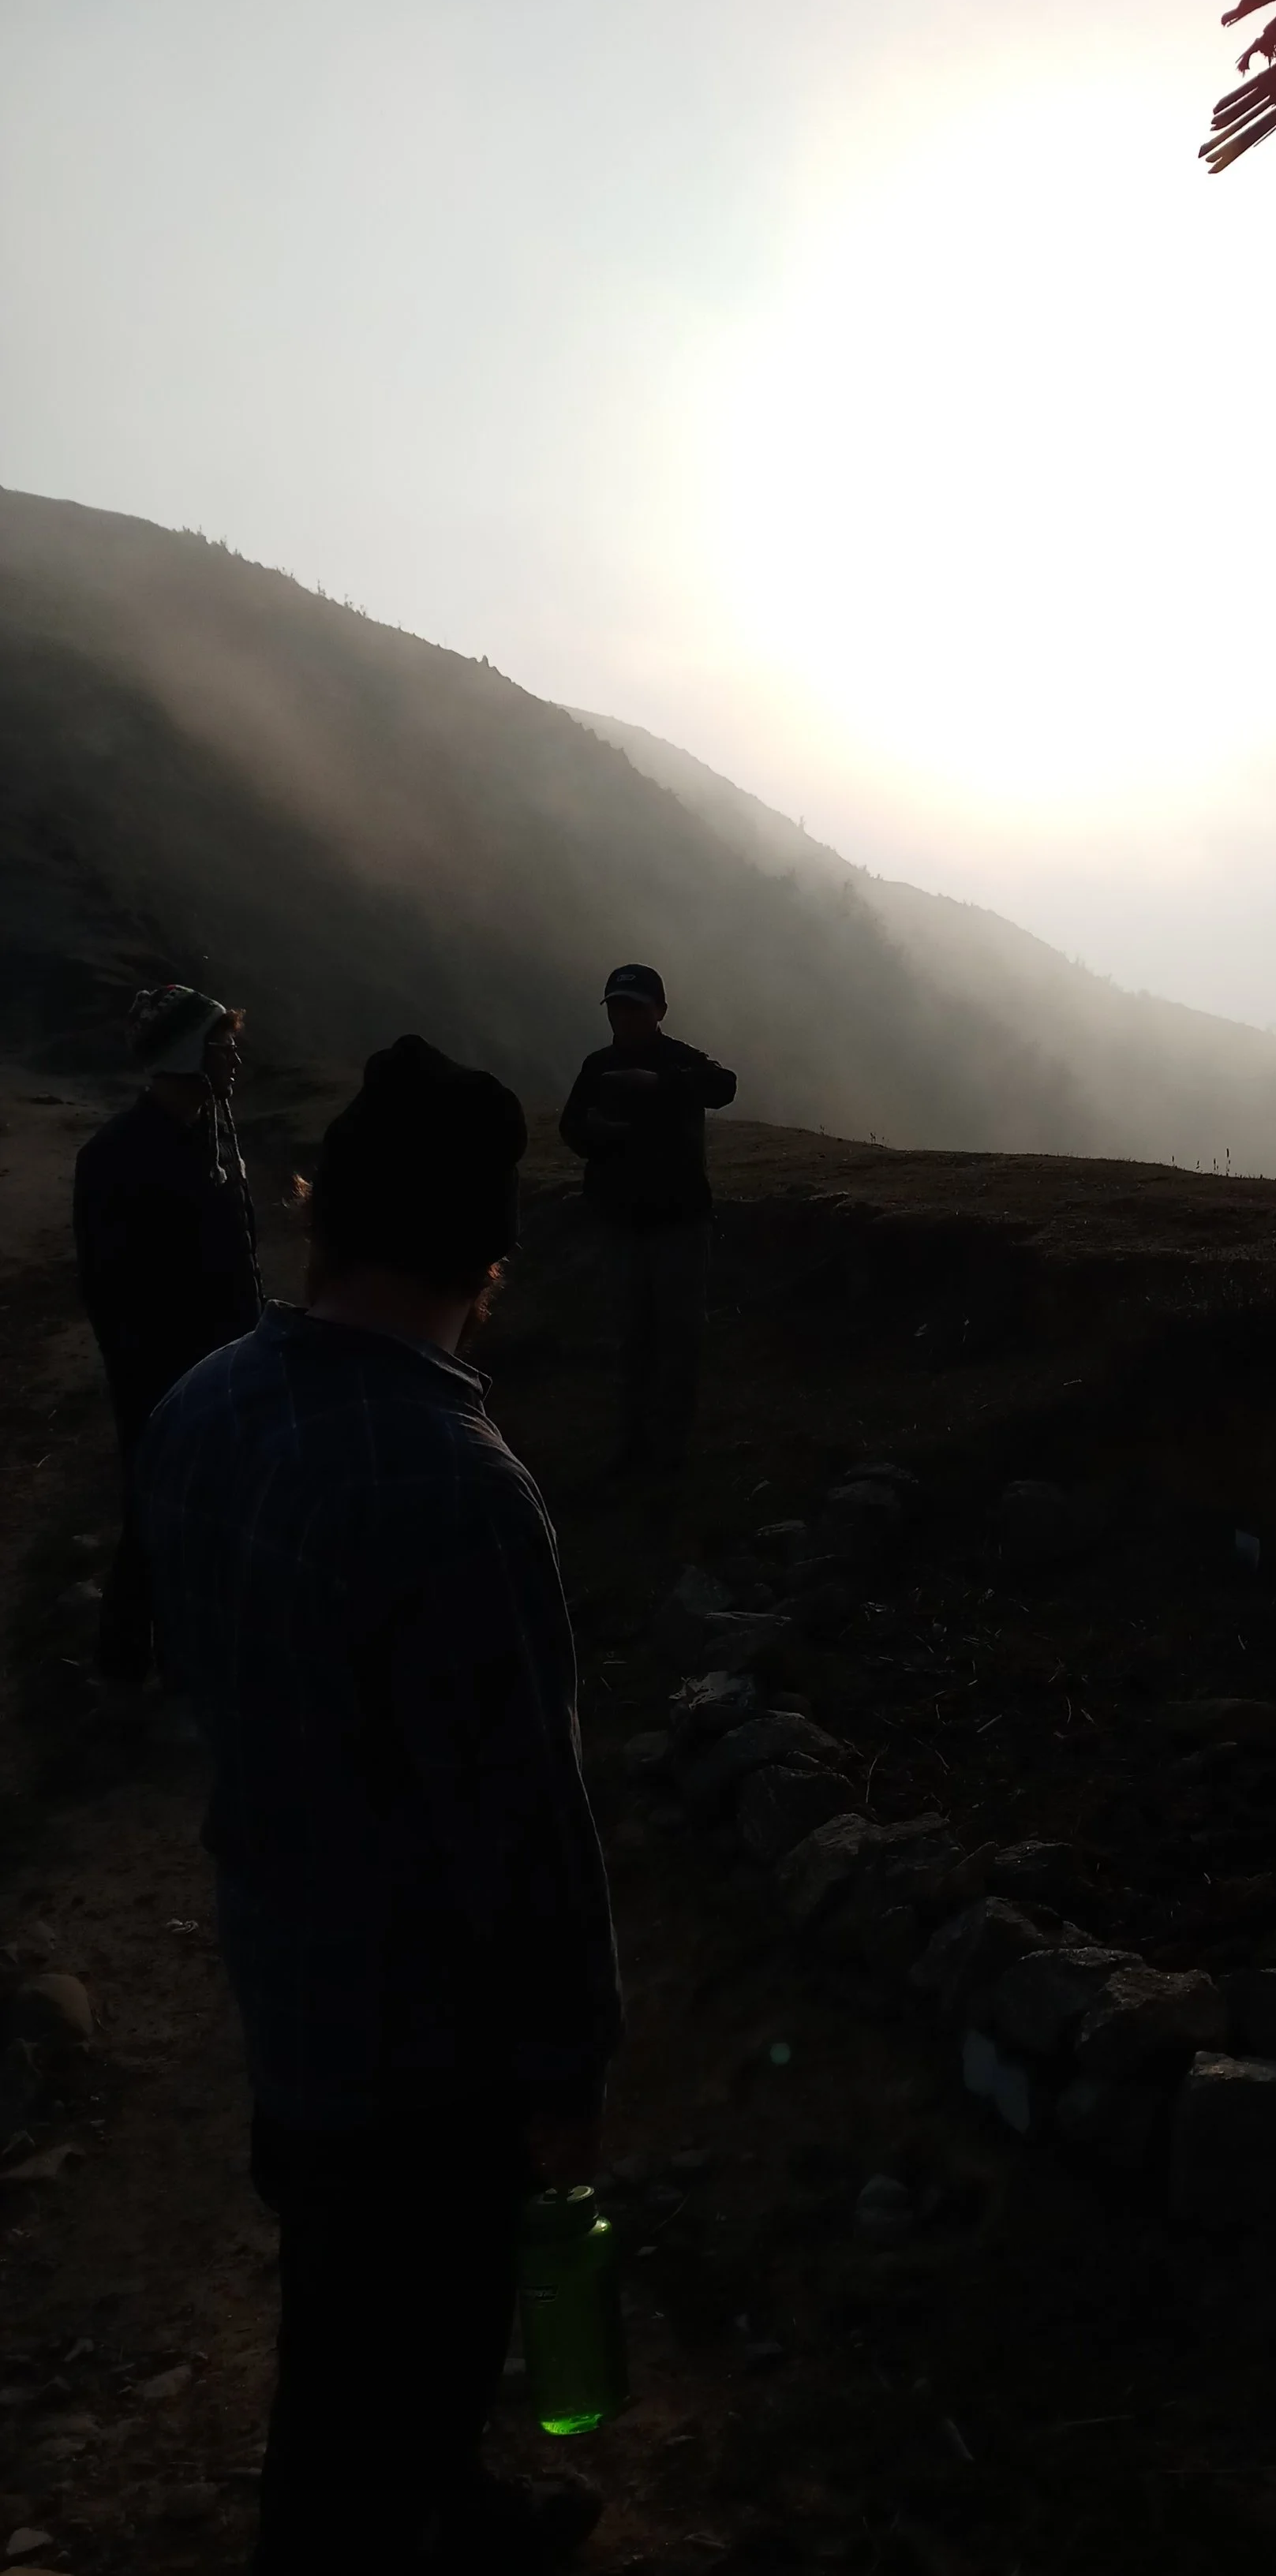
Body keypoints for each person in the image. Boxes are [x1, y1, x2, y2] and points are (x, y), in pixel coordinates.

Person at [136, 1035, 621, 2576]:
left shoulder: (203, 1405)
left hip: (286, 1984)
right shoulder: (458, 1483)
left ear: (322, 1209)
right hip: (426, 2055)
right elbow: (522, 1826)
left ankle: (454, 2497)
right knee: (364, 2398)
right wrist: (565, 2065)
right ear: (490, 1250)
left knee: (355, 2319)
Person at [73, 983, 262, 1688]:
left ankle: (182, 1659)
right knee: (157, 1509)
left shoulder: (210, 1135)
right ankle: (127, 1666)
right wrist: (161, 1377)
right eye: (222, 1042)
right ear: (187, 1051)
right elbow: (112, 1289)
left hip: (230, 1363)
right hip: (165, 1375)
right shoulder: (116, 1157)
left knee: (207, 1513)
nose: (235, 1054)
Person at [558, 963, 736, 1474]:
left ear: (660, 1011)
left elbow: (723, 1086)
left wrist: (659, 1084)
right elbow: (572, 1127)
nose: (625, 1016)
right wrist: (597, 1135)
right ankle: (632, 1448)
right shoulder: (597, 1066)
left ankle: (669, 1454)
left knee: (677, 1338)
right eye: (617, 1006)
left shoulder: (680, 1061)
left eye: (634, 1006)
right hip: (621, 1222)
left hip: (678, 1222)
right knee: (631, 1338)